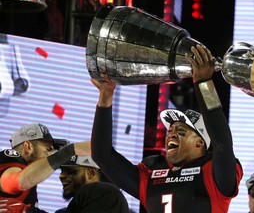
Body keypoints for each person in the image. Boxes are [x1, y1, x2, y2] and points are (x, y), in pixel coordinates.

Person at [90, 44, 243, 212]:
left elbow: (222, 143)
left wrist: (203, 83)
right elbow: (101, 154)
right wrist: (106, 95)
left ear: (200, 143)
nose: (171, 135)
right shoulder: (152, 171)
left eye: (181, 132)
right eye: (170, 131)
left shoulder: (212, 171)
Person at [0, 123, 90, 213]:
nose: (50, 155)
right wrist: (69, 151)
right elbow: (19, 182)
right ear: (28, 147)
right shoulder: (10, 157)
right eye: (48, 149)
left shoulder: (31, 180)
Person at [56, 155, 129, 213]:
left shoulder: (105, 193)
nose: (61, 175)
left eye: (70, 171)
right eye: (62, 170)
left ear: (91, 173)